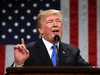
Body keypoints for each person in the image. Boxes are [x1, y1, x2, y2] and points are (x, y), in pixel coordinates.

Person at [13, 9, 92, 67]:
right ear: (41, 30)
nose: (55, 25)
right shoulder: (28, 50)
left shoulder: (72, 51)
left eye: (58, 21)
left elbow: (90, 71)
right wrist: (18, 65)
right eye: (50, 22)